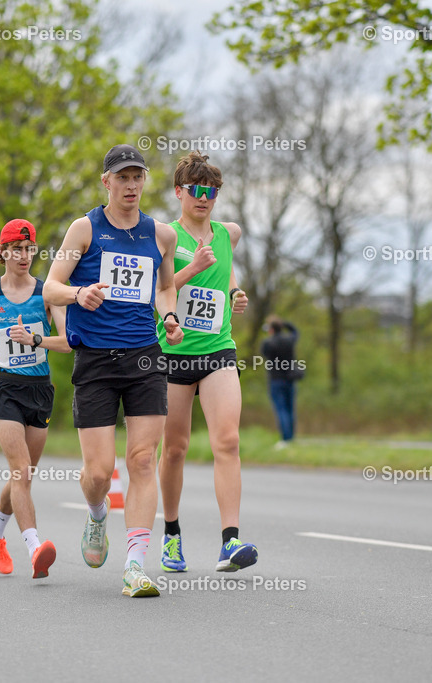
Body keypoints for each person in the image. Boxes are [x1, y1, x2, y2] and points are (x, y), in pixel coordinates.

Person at [44, 143, 183, 597]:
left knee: (143, 459)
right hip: (96, 359)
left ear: (145, 181)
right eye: (122, 177)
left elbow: (165, 289)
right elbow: (50, 286)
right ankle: (98, 514)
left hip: (145, 355)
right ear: (106, 182)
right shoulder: (85, 229)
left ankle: (135, 565)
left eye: (137, 177)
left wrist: (169, 316)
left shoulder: (161, 235)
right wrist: (78, 294)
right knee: (100, 473)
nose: (131, 185)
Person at [155, 151, 258, 574]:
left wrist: (235, 292)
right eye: (196, 190)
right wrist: (191, 269)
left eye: (212, 191)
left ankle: (229, 542)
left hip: (218, 349)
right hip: (174, 354)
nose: (204, 198)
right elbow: (156, 291)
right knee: (175, 449)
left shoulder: (228, 233)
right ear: (179, 192)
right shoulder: (164, 236)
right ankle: (172, 536)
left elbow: (227, 273)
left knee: (228, 441)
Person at [0, 219, 70, 580]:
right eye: (17, 250)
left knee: (23, 476)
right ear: (2, 253)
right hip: (5, 390)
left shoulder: (48, 293)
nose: (24, 256)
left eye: (29, 249)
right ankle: (35, 546)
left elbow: (69, 343)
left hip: (41, 391)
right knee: (21, 470)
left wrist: (35, 341)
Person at [260, 316, 300, 446]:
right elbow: (296, 332)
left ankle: (285, 439)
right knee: (290, 409)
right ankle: (291, 437)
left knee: (281, 409)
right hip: (290, 379)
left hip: (276, 380)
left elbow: (264, 353)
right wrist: (285, 323)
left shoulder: (268, 343)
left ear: (271, 330)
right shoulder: (289, 340)